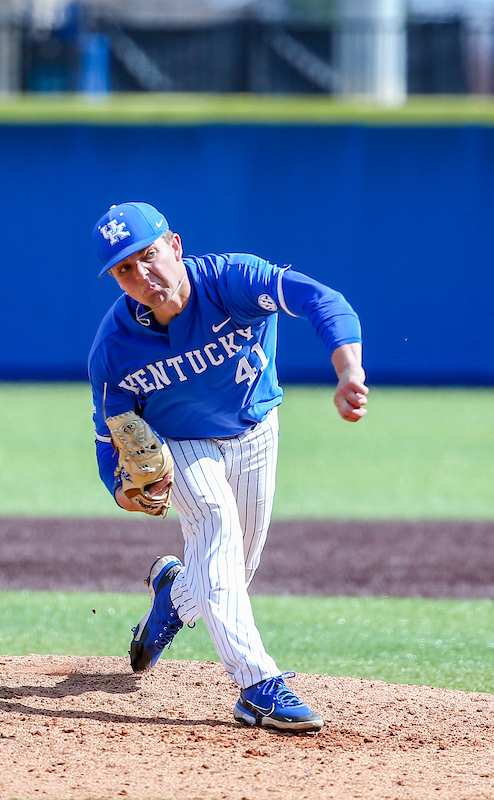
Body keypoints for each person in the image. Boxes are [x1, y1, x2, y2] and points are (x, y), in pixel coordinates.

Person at [88, 202, 368, 732]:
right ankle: (258, 686)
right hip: (182, 443)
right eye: (124, 269)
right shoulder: (114, 350)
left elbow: (321, 300)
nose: (142, 275)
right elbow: (108, 443)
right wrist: (125, 492)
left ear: (174, 245)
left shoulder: (231, 281)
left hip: (255, 429)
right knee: (216, 530)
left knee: (233, 570)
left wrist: (348, 369)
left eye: (148, 255)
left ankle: (174, 597)